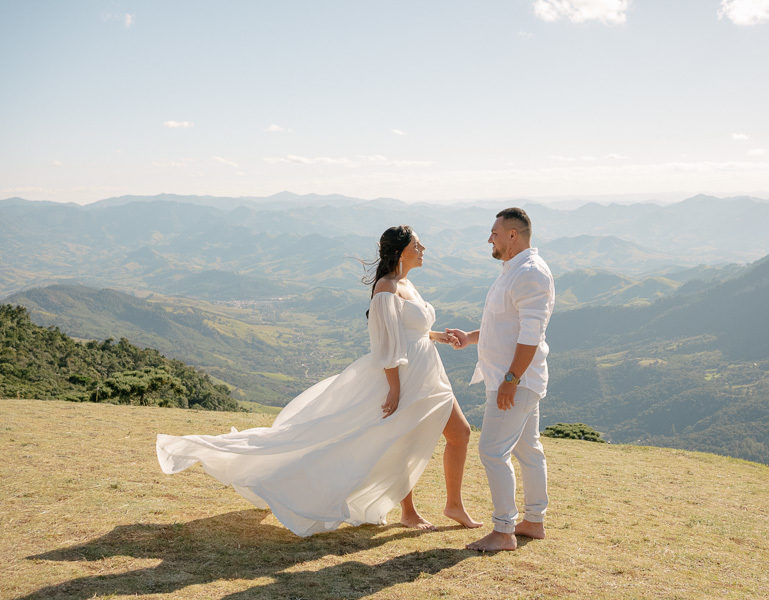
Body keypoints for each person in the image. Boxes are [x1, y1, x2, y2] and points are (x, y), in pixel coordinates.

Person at [157, 225, 480, 537]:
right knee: (399, 442)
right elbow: (385, 344)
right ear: (400, 251)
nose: (423, 250)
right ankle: (409, 511)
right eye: (417, 246)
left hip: (429, 372)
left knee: (458, 434)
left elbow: (409, 330)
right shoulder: (386, 288)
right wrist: (394, 389)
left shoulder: (406, 283)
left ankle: (453, 505)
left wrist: (438, 336)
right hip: (405, 376)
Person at [447, 207, 555, 552]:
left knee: (493, 451)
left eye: (494, 233)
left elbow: (530, 335)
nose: (489, 238)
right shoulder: (514, 270)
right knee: (527, 450)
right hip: (515, 380)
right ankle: (534, 522)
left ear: (513, 235)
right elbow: (503, 327)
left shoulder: (530, 274)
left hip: (515, 383)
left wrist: (511, 379)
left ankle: (504, 530)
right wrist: (470, 337)